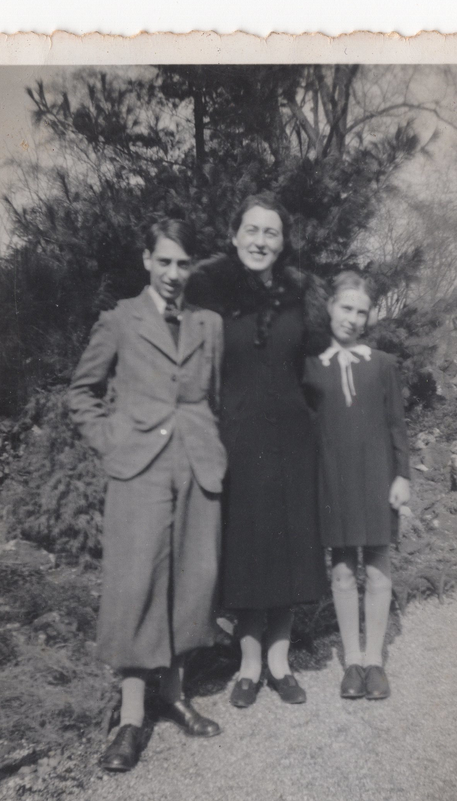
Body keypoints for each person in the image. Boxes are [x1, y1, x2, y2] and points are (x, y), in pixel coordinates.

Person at [68, 219, 227, 771]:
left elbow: (217, 398)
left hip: (198, 470)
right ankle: (131, 720)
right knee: (136, 588)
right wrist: (112, 443)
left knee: (190, 584)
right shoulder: (119, 320)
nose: (174, 274)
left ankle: (175, 695)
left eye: (184, 264)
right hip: (138, 470)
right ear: (146, 260)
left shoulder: (209, 324)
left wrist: (210, 448)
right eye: (164, 262)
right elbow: (81, 393)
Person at [186, 193, 327, 708]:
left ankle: (279, 661)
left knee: (289, 547)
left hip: (292, 439)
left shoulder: (302, 298)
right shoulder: (210, 293)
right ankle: (248, 663)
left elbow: (318, 368)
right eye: (252, 230)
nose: (260, 241)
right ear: (234, 234)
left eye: (271, 233)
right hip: (239, 438)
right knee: (247, 549)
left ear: (283, 242)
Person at [303, 271, 411, 700]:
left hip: (376, 474)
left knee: (377, 565)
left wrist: (402, 475)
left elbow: (397, 425)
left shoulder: (381, 364)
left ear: (368, 319)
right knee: (344, 568)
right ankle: (351, 661)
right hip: (333, 476)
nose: (351, 318)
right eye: (345, 307)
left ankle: (375, 661)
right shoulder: (311, 366)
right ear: (330, 307)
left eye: (361, 312)